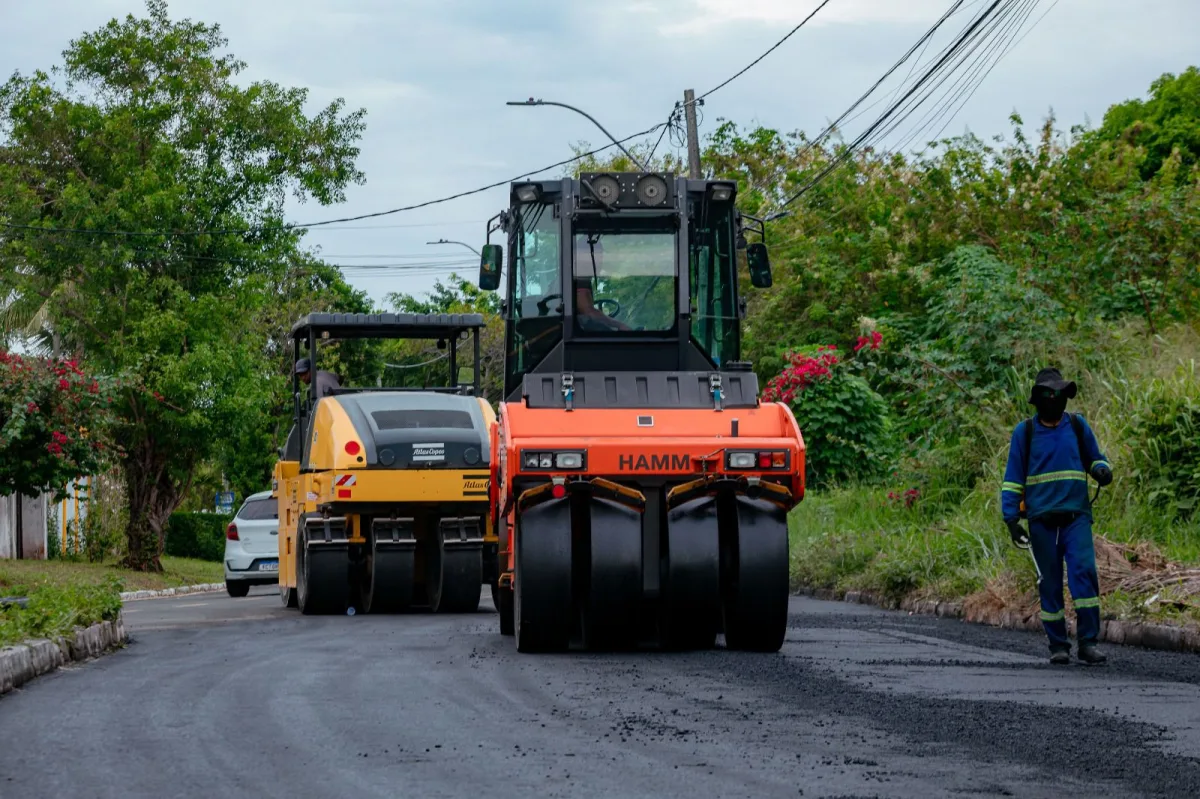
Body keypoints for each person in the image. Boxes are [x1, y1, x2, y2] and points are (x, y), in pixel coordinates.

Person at [1002, 368, 1114, 665]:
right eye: (1049, 395)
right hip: (1040, 521)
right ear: (1038, 399)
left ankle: (1088, 643)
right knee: (1049, 582)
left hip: (1076, 517)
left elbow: (1095, 458)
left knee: (1083, 576)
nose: (1055, 399)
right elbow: (1013, 479)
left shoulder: (1077, 426)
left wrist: (1102, 470)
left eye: (1060, 394)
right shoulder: (1024, 433)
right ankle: (1058, 646)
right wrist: (1011, 520)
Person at [573, 236, 631, 332]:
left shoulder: (581, 279)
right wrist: (619, 325)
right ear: (581, 255)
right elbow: (588, 312)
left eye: (601, 256)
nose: (600, 261)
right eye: (596, 256)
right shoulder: (578, 279)